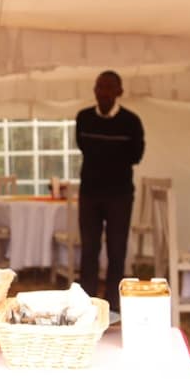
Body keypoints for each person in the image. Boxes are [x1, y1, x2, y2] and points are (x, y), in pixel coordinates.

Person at [75, 70, 145, 312]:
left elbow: (136, 156)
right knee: (89, 249)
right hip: (90, 193)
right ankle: (86, 304)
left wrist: (105, 156)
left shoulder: (131, 122)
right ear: (94, 91)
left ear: (119, 92)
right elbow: (84, 147)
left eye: (108, 88)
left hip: (119, 195)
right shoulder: (84, 118)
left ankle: (113, 305)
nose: (102, 93)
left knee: (117, 250)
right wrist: (114, 156)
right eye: (99, 87)